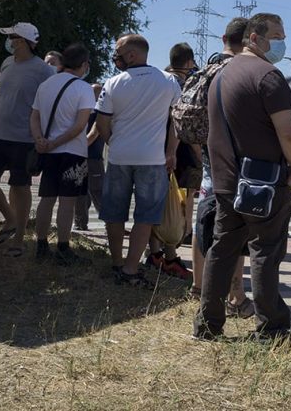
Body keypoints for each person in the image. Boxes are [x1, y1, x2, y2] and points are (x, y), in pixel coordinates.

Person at [194, 12, 291, 341]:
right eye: (276, 36)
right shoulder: (268, 76)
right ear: (254, 38)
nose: (281, 43)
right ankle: (272, 327)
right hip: (265, 183)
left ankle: (207, 324)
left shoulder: (219, 76)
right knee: (266, 253)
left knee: (221, 250)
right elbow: (288, 134)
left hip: (226, 182)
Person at [96, 34, 181, 287]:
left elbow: (101, 123)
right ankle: (131, 268)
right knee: (145, 216)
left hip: (120, 156)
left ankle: (116, 261)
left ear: (132, 55)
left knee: (114, 212)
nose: (115, 56)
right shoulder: (168, 82)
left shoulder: (113, 83)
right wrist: (171, 151)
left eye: (118, 51)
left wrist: (114, 142)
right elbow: (176, 121)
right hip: (153, 158)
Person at [0, 23, 55, 257]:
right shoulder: (7, 63)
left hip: (23, 138)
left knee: (19, 186)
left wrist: (41, 136)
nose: (9, 41)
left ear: (23, 41)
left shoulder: (43, 70)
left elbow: (47, 104)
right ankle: (10, 220)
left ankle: (18, 240)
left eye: (12, 37)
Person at [192, 18, 253, 318]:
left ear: (222, 38)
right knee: (230, 227)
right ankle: (236, 295)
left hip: (206, 155)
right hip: (231, 159)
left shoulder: (207, 68)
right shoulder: (237, 72)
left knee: (203, 219)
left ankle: (197, 285)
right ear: (249, 41)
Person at [30, 43, 95, 264]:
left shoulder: (46, 84)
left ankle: (40, 244)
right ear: (84, 64)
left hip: (48, 151)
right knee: (67, 202)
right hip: (72, 152)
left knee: (46, 199)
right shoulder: (83, 88)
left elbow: (34, 116)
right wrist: (56, 142)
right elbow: (80, 125)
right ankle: (63, 246)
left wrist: (40, 140)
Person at [144, 42, 201, 281]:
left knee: (155, 204)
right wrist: (199, 156)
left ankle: (155, 253)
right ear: (189, 62)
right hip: (180, 153)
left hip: (151, 149)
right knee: (177, 207)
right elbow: (186, 125)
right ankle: (170, 256)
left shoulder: (156, 83)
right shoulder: (186, 86)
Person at [74, 83, 104, 231]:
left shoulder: (82, 110)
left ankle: (80, 222)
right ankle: (110, 221)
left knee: (81, 191)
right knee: (98, 191)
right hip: (92, 157)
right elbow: (94, 134)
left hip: (82, 154)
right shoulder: (99, 112)